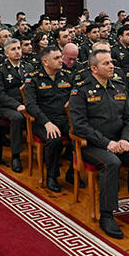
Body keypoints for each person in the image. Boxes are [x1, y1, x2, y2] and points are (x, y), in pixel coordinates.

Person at [68, 50, 129, 239]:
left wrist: (126, 140)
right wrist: (107, 143)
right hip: (92, 145)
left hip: (119, 141)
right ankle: (107, 215)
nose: (112, 66)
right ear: (94, 69)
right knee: (111, 163)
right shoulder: (80, 90)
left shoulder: (119, 87)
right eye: (106, 63)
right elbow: (79, 126)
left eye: (111, 62)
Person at [23, 46, 75, 191]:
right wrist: (46, 123)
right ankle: (51, 176)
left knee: (80, 133)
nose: (61, 60)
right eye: (57, 58)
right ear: (45, 62)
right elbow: (31, 105)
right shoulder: (33, 79)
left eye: (61, 57)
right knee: (54, 138)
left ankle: (72, 172)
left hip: (64, 118)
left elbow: (76, 98)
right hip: (42, 120)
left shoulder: (67, 76)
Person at [0, 39, 28, 166]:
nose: (17, 51)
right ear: (6, 53)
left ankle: (45, 153)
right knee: (17, 118)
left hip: (26, 103)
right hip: (6, 107)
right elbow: (0, 95)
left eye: (18, 48)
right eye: (13, 49)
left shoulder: (28, 67)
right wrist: (17, 105)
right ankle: (15, 156)